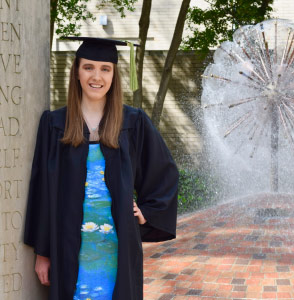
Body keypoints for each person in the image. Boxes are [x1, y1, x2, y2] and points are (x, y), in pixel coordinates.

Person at [23, 37, 178, 300]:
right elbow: (42, 192)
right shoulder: (54, 124)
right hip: (68, 245)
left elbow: (164, 173)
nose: (97, 76)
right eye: (89, 67)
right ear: (77, 72)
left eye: (105, 69)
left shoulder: (134, 122)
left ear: (114, 75)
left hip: (116, 245)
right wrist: (43, 252)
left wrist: (146, 212)